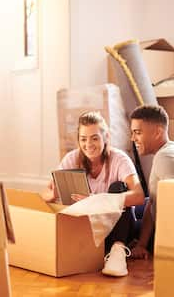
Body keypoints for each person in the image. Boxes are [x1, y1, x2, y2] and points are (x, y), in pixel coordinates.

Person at [43, 111, 144, 277]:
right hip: (88, 230)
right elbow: (46, 193)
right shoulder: (71, 159)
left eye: (95, 138)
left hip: (117, 228)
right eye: (83, 139)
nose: (88, 144)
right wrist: (53, 194)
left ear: (106, 138)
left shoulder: (119, 159)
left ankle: (118, 252)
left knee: (119, 187)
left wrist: (98, 200)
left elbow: (138, 195)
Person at [130, 105, 174, 259]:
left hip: (170, 234)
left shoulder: (165, 158)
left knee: (124, 222)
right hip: (172, 218)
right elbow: (153, 202)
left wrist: (142, 244)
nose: (132, 138)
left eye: (137, 132)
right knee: (136, 202)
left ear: (157, 132)